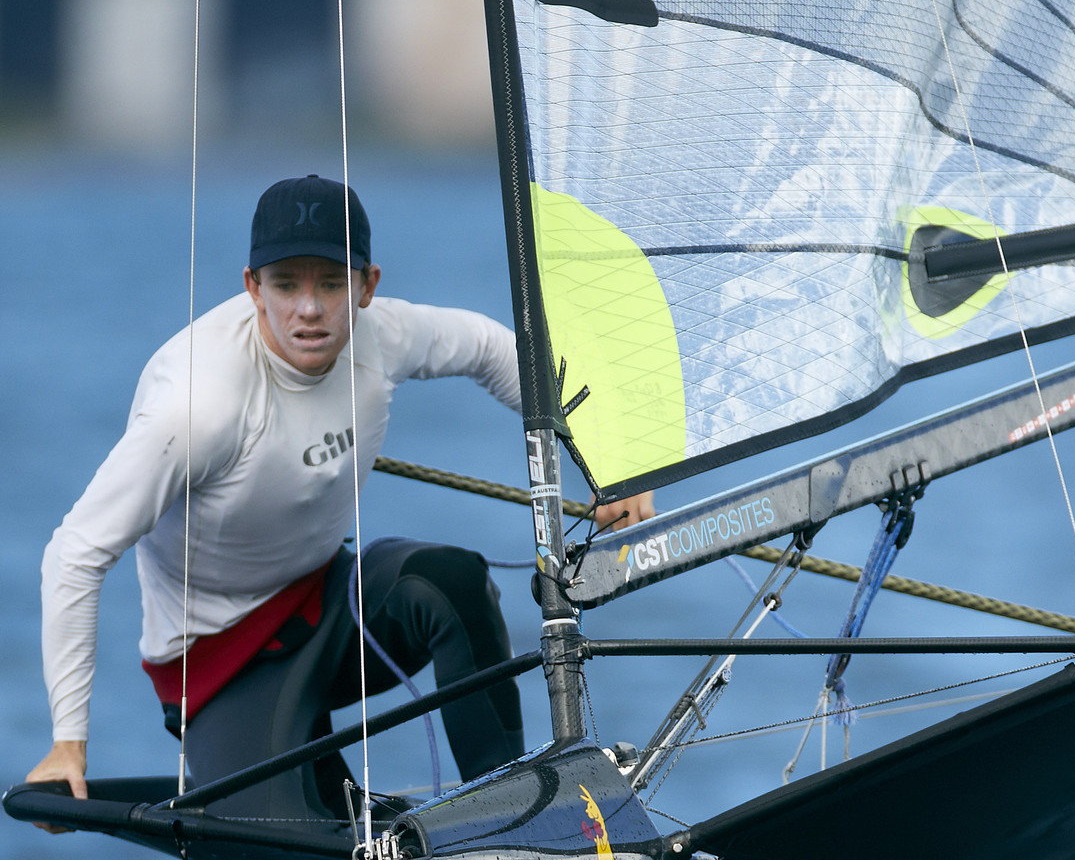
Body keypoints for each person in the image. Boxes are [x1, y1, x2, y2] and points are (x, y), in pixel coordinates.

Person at [26, 174, 646, 818]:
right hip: (217, 662)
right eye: (285, 285)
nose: (310, 308)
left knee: (452, 583)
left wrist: (606, 464)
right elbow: (75, 553)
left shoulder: (385, 334)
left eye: (330, 283)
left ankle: (515, 818)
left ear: (367, 286)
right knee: (290, 844)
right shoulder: (196, 408)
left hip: (328, 604)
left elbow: (491, 349)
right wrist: (68, 746)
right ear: (253, 288)